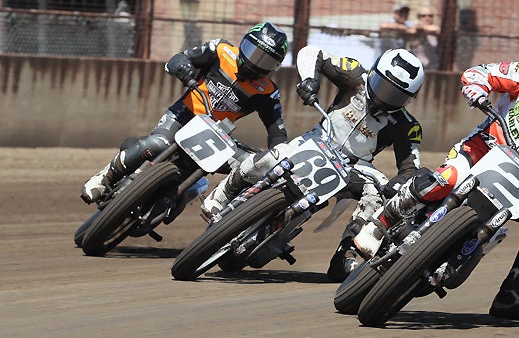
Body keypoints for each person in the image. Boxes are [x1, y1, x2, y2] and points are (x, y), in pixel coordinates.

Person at [353, 43, 519, 321]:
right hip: (482, 149)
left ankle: (512, 294)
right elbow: (481, 73)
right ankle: (382, 223)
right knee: (443, 180)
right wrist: (476, 87)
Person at [200, 45, 425, 282]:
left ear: (409, 99)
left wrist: (399, 183)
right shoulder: (353, 74)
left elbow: (410, 167)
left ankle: (347, 252)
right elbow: (312, 52)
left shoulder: (408, 126)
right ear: (373, 74)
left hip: (354, 166)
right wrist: (309, 80)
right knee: (272, 155)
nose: (384, 97)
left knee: (376, 194)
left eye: (396, 95)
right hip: (317, 140)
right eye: (383, 86)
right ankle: (222, 195)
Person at [80, 22, 289, 210]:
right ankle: (103, 178)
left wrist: (278, 154)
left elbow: (276, 130)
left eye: (265, 61)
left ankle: (202, 195)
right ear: (243, 44)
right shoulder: (220, 50)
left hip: (216, 136)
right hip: (183, 115)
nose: (255, 63)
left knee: (247, 167)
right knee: (156, 143)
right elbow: (181, 58)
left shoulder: (268, 91)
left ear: (275, 67)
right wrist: (183, 67)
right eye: (253, 52)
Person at [407, 5, 441, 69]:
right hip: (416, 66)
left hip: (432, 67)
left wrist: (422, 28)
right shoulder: (413, 27)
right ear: (418, 17)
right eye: (423, 16)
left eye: (430, 15)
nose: (427, 18)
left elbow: (437, 30)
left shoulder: (435, 30)